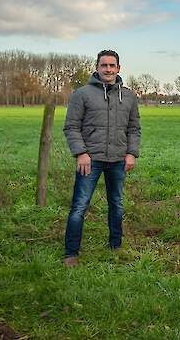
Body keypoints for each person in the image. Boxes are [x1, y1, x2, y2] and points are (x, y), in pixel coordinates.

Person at [62, 49, 141, 267]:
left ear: (118, 68)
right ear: (97, 67)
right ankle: (71, 253)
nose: (108, 69)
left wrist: (131, 153)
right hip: (91, 160)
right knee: (79, 205)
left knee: (116, 204)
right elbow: (71, 127)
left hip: (118, 159)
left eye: (112, 65)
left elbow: (134, 128)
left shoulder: (129, 96)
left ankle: (115, 246)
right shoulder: (82, 94)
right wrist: (81, 153)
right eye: (104, 65)